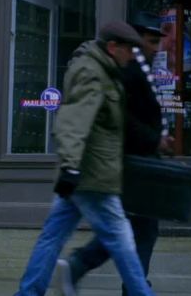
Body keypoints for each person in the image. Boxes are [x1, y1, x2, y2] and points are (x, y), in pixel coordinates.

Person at [15, 21, 155, 296]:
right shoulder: (93, 73)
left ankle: (28, 293)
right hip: (93, 177)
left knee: (53, 235)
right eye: (128, 49)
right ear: (112, 47)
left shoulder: (105, 71)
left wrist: (71, 169)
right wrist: (70, 167)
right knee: (122, 240)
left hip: (83, 173)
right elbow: (73, 122)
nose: (132, 56)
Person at [56, 20, 173, 296]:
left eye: (157, 42)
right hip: (130, 162)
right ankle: (113, 279)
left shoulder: (136, 68)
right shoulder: (127, 70)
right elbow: (118, 120)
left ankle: (81, 268)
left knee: (126, 229)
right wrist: (154, 139)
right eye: (151, 42)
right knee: (133, 229)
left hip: (134, 160)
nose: (156, 48)